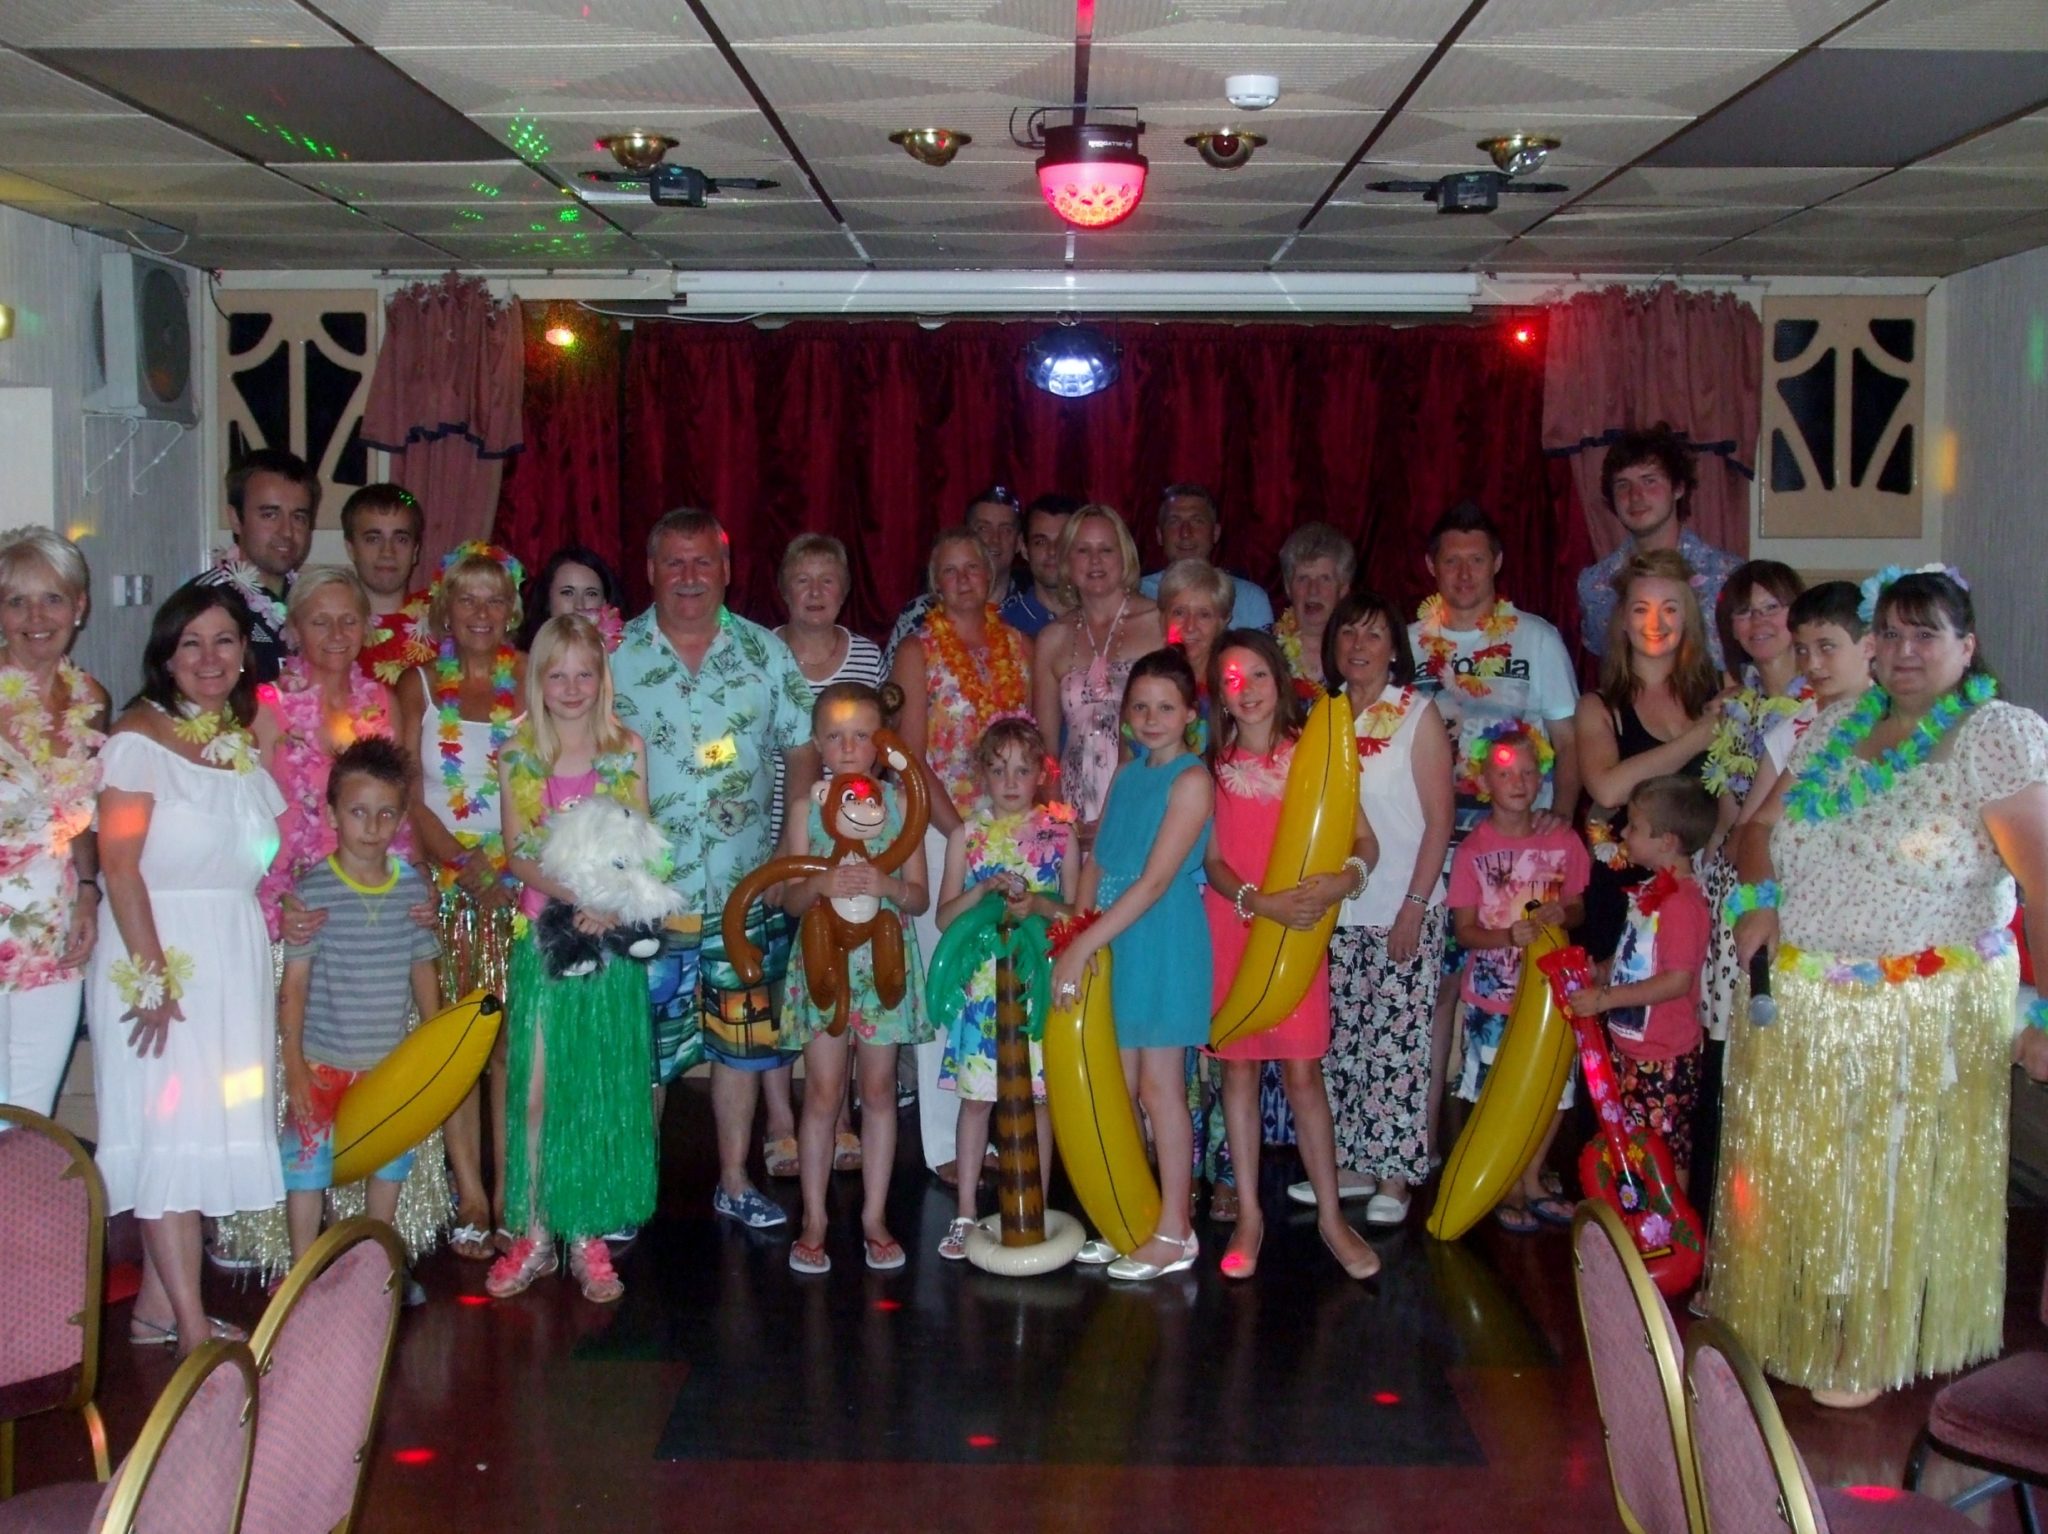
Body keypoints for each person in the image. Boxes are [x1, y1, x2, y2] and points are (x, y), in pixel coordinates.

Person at [1720, 568, 2048, 1408]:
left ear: (1966, 648)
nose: (1904, 652)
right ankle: (1805, 1314)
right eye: (1891, 635)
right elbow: (1756, 829)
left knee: (1883, 1175)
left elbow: (2043, 887)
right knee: (1806, 1176)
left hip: (1918, 1008)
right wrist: (1759, 902)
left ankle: (1867, 1338)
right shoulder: (1835, 727)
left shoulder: (1992, 735)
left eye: (1926, 634)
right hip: (1803, 999)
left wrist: (2043, 1015)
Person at [90, 584, 286, 1355]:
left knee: (200, 1127)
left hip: (230, 949)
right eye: (192, 644)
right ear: (165, 656)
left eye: (225, 641)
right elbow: (119, 862)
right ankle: (194, 1327)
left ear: (244, 652)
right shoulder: (138, 739)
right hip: (162, 948)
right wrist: (151, 977)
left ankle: (158, 1308)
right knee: (166, 1128)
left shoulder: (236, 740)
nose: (210, 659)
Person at [612, 508, 816, 1234]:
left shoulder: (766, 654)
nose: (690, 577)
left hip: (745, 891)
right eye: (675, 562)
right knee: (645, 1048)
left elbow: (801, 753)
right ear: (650, 570)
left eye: (704, 562)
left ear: (727, 569)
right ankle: (633, 1189)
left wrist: (793, 858)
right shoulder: (615, 657)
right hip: (644, 897)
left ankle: (734, 1178)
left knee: (742, 1044)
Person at [488, 615, 658, 1304]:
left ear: (601, 678)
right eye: (556, 674)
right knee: (534, 1093)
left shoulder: (626, 751)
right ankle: (532, 1230)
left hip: (608, 945)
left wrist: (612, 899)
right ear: (537, 680)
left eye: (584, 673)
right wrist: (577, 890)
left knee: (591, 1091)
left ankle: (585, 1233)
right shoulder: (519, 756)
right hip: (546, 945)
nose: (570, 687)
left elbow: (642, 842)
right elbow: (517, 853)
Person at [1200, 630, 1379, 1281]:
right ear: (1220, 694)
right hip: (1236, 929)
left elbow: (1363, 838)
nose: (1245, 691)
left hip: (1299, 934)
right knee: (1238, 1077)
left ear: (1280, 679)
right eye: (1231, 680)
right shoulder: (1212, 768)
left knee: (1305, 1076)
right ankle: (1249, 1213)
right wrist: (1257, 901)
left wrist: (1345, 879)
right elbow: (1213, 862)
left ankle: (1332, 1216)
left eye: (1257, 675)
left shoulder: (1315, 759)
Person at [1051, 648, 1212, 1281]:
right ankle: (1130, 1220)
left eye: (1164, 707)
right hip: (1114, 940)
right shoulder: (1126, 773)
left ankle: (1176, 1228)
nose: (1150, 718)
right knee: (1115, 1088)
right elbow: (1097, 863)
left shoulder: (1192, 780)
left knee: (1159, 1089)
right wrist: (1078, 931)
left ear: (1189, 714)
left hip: (1163, 939)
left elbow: (1151, 882)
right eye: (1139, 707)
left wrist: (1086, 944)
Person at [393, 543, 527, 1260]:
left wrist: (507, 866)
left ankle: (510, 1190)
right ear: (444, 608)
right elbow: (406, 791)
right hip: (445, 887)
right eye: (467, 600)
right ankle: (467, 1192)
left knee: (507, 1044)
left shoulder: (532, 677)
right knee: (457, 1047)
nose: (481, 614)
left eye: (494, 599)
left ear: (513, 609)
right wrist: (458, 860)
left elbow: (545, 779)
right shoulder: (417, 684)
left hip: (512, 886)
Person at [892, 527, 1034, 1183]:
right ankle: (948, 1145)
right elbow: (910, 757)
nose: (962, 579)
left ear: (991, 570)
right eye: (947, 571)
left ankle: (1003, 1127)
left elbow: (1033, 748)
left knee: (1004, 981)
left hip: (1011, 829)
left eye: (971, 567)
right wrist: (958, 834)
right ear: (934, 582)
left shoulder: (1021, 647)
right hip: (941, 829)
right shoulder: (919, 653)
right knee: (947, 980)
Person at [779, 682, 932, 1275]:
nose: (848, 747)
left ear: (881, 744)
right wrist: (817, 884)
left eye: (861, 735)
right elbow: (789, 897)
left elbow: (917, 897)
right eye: (835, 736)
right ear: (818, 743)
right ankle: (814, 1216)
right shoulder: (804, 808)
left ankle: (874, 1215)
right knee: (821, 1093)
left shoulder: (899, 808)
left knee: (878, 1093)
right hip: (824, 965)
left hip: (882, 968)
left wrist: (886, 887)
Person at [1312, 590, 1453, 1220]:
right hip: (1338, 910)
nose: (1359, 647)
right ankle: (1353, 1165)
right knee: (1342, 1043)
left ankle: (1396, 1175)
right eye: (1348, 635)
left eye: (1373, 636)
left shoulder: (1416, 714)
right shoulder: (1324, 715)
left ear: (1394, 648)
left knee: (1398, 1043)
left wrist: (1415, 905)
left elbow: (1439, 820)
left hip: (1403, 903)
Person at [278, 738, 442, 1263]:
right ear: (332, 813)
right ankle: (303, 1270)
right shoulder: (313, 892)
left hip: (389, 1064)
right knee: (306, 1164)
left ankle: (377, 1265)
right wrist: (295, 1064)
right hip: (324, 1063)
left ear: (400, 819)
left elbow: (423, 970)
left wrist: (434, 1048)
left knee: (388, 1161)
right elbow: (296, 985)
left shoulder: (412, 892)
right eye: (357, 812)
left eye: (385, 813)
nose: (371, 827)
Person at [933, 714, 1074, 1261]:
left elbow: (1072, 913)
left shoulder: (1059, 833)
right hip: (983, 993)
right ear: (982, 776)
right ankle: (966, 1210)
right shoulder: (964, 836)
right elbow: (946, 917)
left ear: (1041, 772)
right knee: (976, 1101)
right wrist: (984, 891)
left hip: (1036, 987)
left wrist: (1037, 904)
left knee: (1039, 1099)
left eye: (1022, 769)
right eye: (998, 770)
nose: (1011, 781)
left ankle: (1032, 1202)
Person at [766, 533, 883, 1179]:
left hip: (853, 843)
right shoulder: (759, 650)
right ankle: (783, 1124)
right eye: (802, 578)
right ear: (784, 587)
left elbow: (882, 750)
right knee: (784, 978)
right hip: (779, 838)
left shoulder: (866, 654)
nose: (815, 591)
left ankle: (836, 1117)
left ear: (844, 588)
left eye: (827, 579)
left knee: (839, 975)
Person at [1693, 559, 1808, 1206]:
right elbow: (1727, 813)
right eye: (1745, 610)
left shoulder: (1821, 710)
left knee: (1766, 1051)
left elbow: (1764, 825)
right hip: (1728, 883)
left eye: (1772, 606)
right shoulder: (1737, 708)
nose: (1759, 621)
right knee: (1724, 1053)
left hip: (1782, 892)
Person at [1446, 723, 1590, 1232]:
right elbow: (1465, 931)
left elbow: (1575, 906)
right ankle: (1502, 1179)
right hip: (1493, 997)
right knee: (1494, 1091)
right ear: (1483, 780)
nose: (1519, 782)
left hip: (1552, 995)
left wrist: (1560, 918)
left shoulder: (1562, 838)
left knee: (1556, 1092)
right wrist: (1507, 938)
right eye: (1506, 773)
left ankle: (1531, 1176)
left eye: (1530, 771)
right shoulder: (1472, 851)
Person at [0, 529, 108, 1114]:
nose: (35, 617)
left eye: (52, 599)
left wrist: (89, 893)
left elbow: (85, 814)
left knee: (31, 1118)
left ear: (79, 606)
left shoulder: (90, 696)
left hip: (54, 927)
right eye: (16, 601)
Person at [1575, 548, 1724, 960]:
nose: (1655, 623)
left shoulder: (1719, 692)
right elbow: (1607, 789)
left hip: (1703, 889)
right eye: (1641, 609)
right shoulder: (1599, 706)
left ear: (1688, 618)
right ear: (1623, 619)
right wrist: (1698, 738)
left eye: (1670, 609)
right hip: (1622, 893)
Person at [1570, 775, 1716, 1179]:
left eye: (1634, 827)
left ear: (1666, 841)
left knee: (1662, 1156)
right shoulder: (1653, 890)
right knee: (1632, 1147)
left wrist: (1606, 999)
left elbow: (1676, 981)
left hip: (1663, 1055)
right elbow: (1637, 953)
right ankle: (1636, 1226)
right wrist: (1602, 970)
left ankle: (1668, 1232)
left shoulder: (1682, 904)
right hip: (1633, 1045)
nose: (1623, 833)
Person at [1033, 505, 1166, 848]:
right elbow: (1044, 746)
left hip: (1149, 793)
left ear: (1125, 557)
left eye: (1106, 549)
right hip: (1076, 808)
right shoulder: (1052, 638)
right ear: (1066, 560)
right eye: (1083, 550)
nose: (1095, 561)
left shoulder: (1161, 623)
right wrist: (1059, 817)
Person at [1576, 425, 1744, 667]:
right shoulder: (1595, 586)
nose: (1635, 495)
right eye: (1623, 485)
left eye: (1649, 481)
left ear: (1678, 487)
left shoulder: (1728, 576)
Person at [189, 448, 318, 684]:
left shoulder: (312, 599)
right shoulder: (205, 602)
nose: (287, 532)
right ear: (236, 519)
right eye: (270, 515)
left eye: (299, 517)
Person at [882, 486, 1025, 672]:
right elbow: (890, 693)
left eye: (1005, 530)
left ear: (1020, 542)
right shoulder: (919, 613)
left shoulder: (1031, 612)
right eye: (983, 528)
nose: (994, 540)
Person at [1136, 484, 1274, 629]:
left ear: (1215, 533)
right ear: (1159, 535)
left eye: (1197, 521)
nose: (1185, 533)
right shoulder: (1138, 594)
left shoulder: (1250, 599)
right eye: (1174, 522)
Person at [341, 483, 433, 689]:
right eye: (373, 539)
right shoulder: (332, 627)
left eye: (400, 539)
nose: (387, 552)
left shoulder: (445, 619)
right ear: (351, 548)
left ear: (415, 551)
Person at [1273, 522, 1353, 688]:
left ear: (1343, 588)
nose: (1313, 590)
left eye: (1325, 578)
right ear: (1288, 587)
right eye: (1303, 578)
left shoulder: (1359, 649)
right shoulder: (1265, 649)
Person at [999, 493, 1079, 638]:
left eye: (1062, 541)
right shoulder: (1005, 631)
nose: (1052, 551)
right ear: (1024, 548)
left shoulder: (1103, 617)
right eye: (1040, 542)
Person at [518, 546, 623, 651]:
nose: (579, 605)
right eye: (567, 593)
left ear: (605, 602)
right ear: (548, 599)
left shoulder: (623, 659)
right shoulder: (521, 662)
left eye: (591, 594)